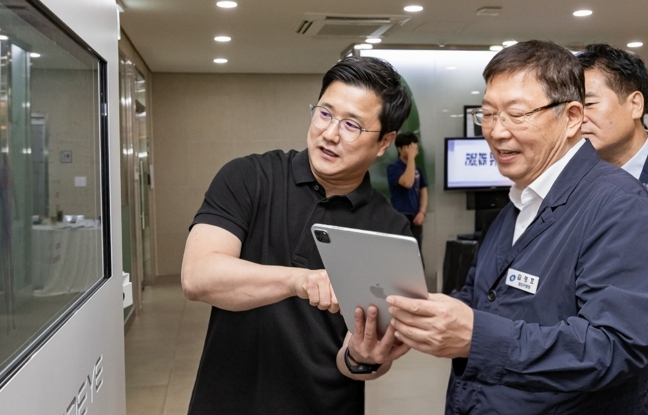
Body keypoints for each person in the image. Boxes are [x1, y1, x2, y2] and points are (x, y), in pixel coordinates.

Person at [386, 40, 648, 414]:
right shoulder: (518, 201)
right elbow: (483, 296)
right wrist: (420, 319)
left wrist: (476, 337)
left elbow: (614, 346)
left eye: (517, 114)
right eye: (488, 114)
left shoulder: (620, 205)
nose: (496, 131)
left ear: (572, 117)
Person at [181, 56, 413, 415]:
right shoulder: (249, 177)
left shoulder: (390, 229)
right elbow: (198, 277)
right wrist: (299, 280)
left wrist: (361, 357)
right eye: (325, 113)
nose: (330, 134)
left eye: (352, 125)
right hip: (227, 402)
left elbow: (364, 356)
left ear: (384, 141)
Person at [578, 43, 648, 189]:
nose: (577, 118)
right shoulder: (571, 175)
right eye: (571, 109)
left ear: (635, 104)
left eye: (589, 104)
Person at [386, 131, 428, 250]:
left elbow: (423, 189)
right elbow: (408, 183)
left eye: (415, 147)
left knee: (417, 252)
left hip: (416, 217)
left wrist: (422, 212)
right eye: (410, 147)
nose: (414, 150)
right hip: (400, 216)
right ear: (400, 149)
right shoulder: (393, 168)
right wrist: (411, 158)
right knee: (402, 251)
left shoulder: (418, 169)